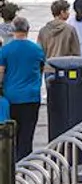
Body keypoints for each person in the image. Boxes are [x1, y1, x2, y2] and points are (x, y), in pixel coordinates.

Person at [0, 15, 46, 159]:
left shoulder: (5, 50)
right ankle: (25, 163)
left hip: (11, 97)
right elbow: (41, 69)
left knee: (12, 134)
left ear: (13, 30)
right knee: (27, 134)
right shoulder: (37, 50)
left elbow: (1, 72)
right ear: (28, 29)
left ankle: (12, 164)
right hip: (31, 97)